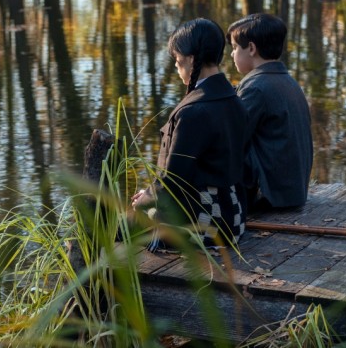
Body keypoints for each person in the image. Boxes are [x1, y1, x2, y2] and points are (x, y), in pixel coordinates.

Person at [131, 18, 248, 252]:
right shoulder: (233, 99)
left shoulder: (194, 112)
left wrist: (145, 200)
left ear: (191, 59)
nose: (176, 67)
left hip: (205, 224)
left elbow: (173, 179)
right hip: (233, 216)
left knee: (113, 227)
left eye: (177, 60)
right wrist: (151, 194)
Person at [226, 13, 313, 212]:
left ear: (251, 48)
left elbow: (232, 138)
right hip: (292, 191)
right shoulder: (287, 81)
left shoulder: (255, 88)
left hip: (271, 196)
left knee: (221, 141)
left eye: (235, 48)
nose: (232, 55)